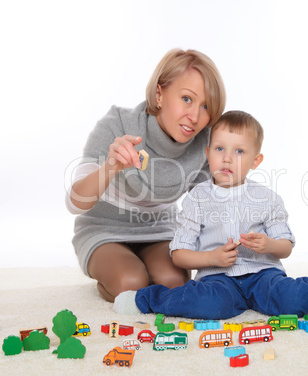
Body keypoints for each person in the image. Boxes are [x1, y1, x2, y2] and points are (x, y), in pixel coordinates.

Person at [113, 110, 308, 319]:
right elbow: (179, 255)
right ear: (208, 154)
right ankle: (143, 299)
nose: (227, 158)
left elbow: (285, 247)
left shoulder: (267, 198)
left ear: (256, 160)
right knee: (205, 304)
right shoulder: (197, 198)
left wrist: (269, 244)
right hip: (218, 279)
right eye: (220, 149)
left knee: (292, 300)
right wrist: (212, 257)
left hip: (264, 275)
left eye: (239, 152)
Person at [65, 49, 226, 303]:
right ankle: (115, 275)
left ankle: (143, 270)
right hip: (103, 230)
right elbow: (74, 203)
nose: (194, 117)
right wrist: (111, 167)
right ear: (159, 94)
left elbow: (206, 205)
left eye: (205, 106)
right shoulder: (117, 124)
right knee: (131, 282)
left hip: (158, 231)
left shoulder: (204, 144)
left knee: (174, 281)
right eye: (187, 99)